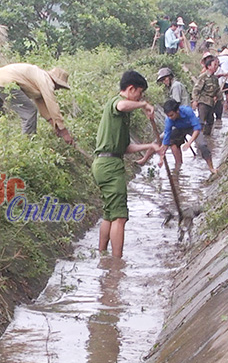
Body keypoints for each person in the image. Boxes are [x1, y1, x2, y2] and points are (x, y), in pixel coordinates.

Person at [92, 70, 161, 258]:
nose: (141, 97)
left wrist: (151, 146)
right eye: (140, 93)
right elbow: (122, 105)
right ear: (131, 89)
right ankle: (116, 265)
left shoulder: (120, 115)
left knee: (109, 214)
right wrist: (144, 105)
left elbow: (125, 147)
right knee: (120, 217)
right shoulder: (117, 104)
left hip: (105, 163)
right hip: (109, 166)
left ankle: (102, 256)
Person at [0, 63, 74, 143]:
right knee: (30, 111)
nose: (58, 89)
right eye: (59, 86)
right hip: (5, 81)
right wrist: (63, 130)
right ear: (56, 82)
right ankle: (27, 143)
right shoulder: (46, 80)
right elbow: (51, 104)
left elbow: (42, 106)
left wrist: (55, 126)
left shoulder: (38, 79)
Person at [157, 99, 217, 174]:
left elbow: (197, 129)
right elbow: (166, 138)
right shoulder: (169, 120)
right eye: (168, 116)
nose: (170, 117)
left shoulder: (187, 111)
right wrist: (162, 157)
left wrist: (189, 142)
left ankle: (211, 168)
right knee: (172, 142)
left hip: (192, 128)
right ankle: (178, 166)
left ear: (177, 111)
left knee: (202, 145)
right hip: (179, 129)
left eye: (172, 115)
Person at [192, 55, 222, 135]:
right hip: (203, 102)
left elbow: (217, 90)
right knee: (201, 121)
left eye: (217, 65)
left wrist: (220, 99)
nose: (216, 67)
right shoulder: (203, 77)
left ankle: (207, 139)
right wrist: (195, 101)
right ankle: (198, 138)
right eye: (214, 65)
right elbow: (196, 89)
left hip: (211, 103)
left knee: (210, 121)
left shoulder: (214, 78)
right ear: (209, 66)